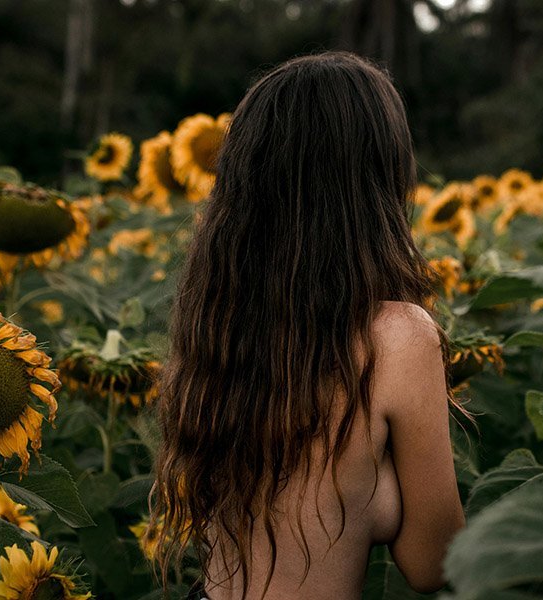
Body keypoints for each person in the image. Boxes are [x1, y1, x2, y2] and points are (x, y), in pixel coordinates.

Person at [148, 52, 466, 599]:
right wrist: (382, 497)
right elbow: (435, 566)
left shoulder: (222, 323)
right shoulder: (397, 336)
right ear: (379, 179)